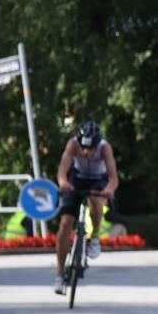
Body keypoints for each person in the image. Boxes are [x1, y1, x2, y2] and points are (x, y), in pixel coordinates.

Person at [53, 120, 119, 294]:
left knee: (96, 203)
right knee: (66, 223)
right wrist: (63, 182)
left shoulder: (105, 148)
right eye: (83, 148)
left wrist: (108, 190)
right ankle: (59, 274)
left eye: (91, 149)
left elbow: (113, 178)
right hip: (78, 178)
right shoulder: (73, 144)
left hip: (99, 179)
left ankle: (95, 237)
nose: (86, 152)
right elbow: (62, 169)